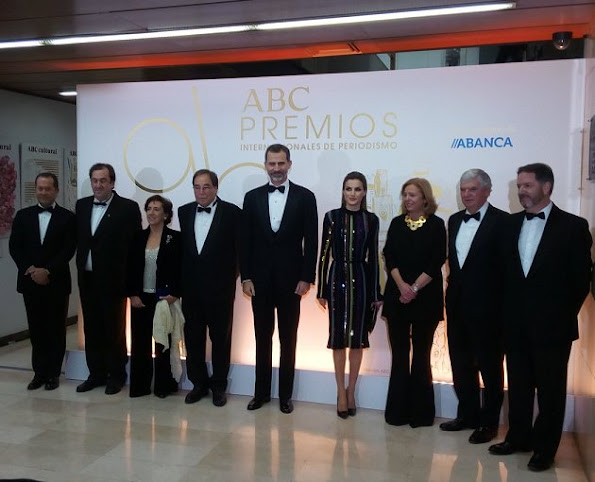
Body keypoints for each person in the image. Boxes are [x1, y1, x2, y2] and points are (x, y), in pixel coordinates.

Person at [488, 163, 592, 472]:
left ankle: (545, 450)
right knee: (518, 386)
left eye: (527, 185)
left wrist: (558, 317)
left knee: (551, 392)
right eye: (519, 185)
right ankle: (518, 438)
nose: (521, 191)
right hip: (514, 326)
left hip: (553, 328)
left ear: (547, 187)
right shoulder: (508, 225)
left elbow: (580, 282)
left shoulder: (573, 226)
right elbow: (500, 276)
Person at [241, 143, 318, 414]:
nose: (276, 168)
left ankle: (285, 396)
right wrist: (246, 276)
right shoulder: (251, 197)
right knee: (261, 338)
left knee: (289, 339)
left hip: (291, 282)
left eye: (281, 163)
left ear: (289, 164)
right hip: (259, 282)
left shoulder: (306, 197)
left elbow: (312, 241)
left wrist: (307, 277)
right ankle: (260, 393)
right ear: (265, 165)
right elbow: (245, 241)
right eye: (272, 163)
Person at [440, 169, 509, 444]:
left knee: (490, 368)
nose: (466, 194)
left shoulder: (503, 221)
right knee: (460, 363)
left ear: (487, 191)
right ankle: (467, 415)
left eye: (472, 189)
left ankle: (489, 423)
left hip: (490, 309)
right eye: (463, 189)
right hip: (457, 306)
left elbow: (506, 269)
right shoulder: (454, 220)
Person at [317, 171, 382, 418]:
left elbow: (373, 257)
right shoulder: (331, 217)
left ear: (364, 192)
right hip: (336, 279)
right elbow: (324, 255)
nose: (352, 194)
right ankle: (340, 393)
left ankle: (351, 391)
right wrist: (321, 289)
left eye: (357, 189)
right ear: (343, 191)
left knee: (357, 339)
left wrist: (375, 292)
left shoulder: (371, 220)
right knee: (337, 338)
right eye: (348, 189)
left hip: (362, 280)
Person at [382, 177, 446, 427]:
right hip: (397, 297)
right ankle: (396, 413)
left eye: (412, 195)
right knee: (399, 356)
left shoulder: (437, 225)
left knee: (421, 355)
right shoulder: (397, 223)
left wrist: (415, 288)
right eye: (405, 195)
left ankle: (421, 414)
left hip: (426, 299)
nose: (407, 199)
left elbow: (436, 260)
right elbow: (389, 256)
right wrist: (402, 286)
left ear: (425, 199)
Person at [75, 163, 141, 395]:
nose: (98, 185)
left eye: (103, 180)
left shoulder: (128, 208)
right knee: (91, 328)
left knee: (114, 329)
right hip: (87, 278)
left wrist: (132, 283)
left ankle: (117, 375)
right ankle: (96, 374)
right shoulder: (82, 205)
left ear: (112, 182)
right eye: (95, 180)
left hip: (114, 280)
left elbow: (135, 248)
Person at [179, 169, 241, 407]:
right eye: (197, 187)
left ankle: (219, 386)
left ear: (216, 188)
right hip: (191, 290)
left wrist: (230, 279)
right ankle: (198, 384)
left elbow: (239, 251)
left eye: (206, 187)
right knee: (193, 338)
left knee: (221, 340)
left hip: (220, 291)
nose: (201, 192)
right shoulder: (184, 212)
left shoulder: (233, 213)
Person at [9, 172, 76, 391]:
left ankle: (53, 374)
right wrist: (31, 270)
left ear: (56, 190)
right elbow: (15, 247)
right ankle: (39, 373)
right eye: (40, 188)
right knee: (36, 329)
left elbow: (68, 249)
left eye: (48, 188)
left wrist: (48, 271)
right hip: (30, 282)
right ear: (35, 189)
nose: (44, 192)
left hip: (56, 282)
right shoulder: (23, 216)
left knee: (56, 329)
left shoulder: (68, 217)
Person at [127, 195, 181, 398]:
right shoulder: (137, 237)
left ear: (166, 214)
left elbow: (181, 270)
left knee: (163, 343)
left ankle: (163, 386)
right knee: (139, 343)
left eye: (156, 209)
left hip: (163, 299)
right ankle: (140, 386)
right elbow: (130, 268)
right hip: (141, 298)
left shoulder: (175, 238)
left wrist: (175, 293)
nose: (151, 212)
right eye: (149, 208)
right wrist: (132, 294)